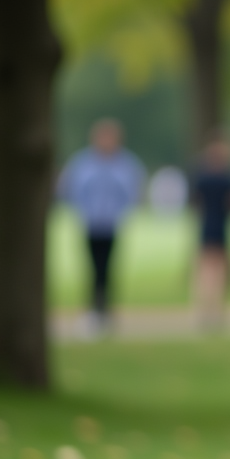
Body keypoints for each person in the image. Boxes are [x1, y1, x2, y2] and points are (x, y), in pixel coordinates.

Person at [59, 118, 145, 335]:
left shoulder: (125, 163)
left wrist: (121, 213)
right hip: (90, 223)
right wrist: (83, 211)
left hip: (112, 224)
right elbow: (72, 189)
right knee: (92, 267)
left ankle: (105, 311)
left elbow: (132, 191)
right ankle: (92, 311)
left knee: (108, 268)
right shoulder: (83, 162)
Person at [192, 135, 230, 328]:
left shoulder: (203, 177)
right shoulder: (227, 178)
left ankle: (205, 311)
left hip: (207, 225)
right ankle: (217, 311)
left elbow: (196, 200)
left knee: (205, 270)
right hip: (221, 226)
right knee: (219, 270)